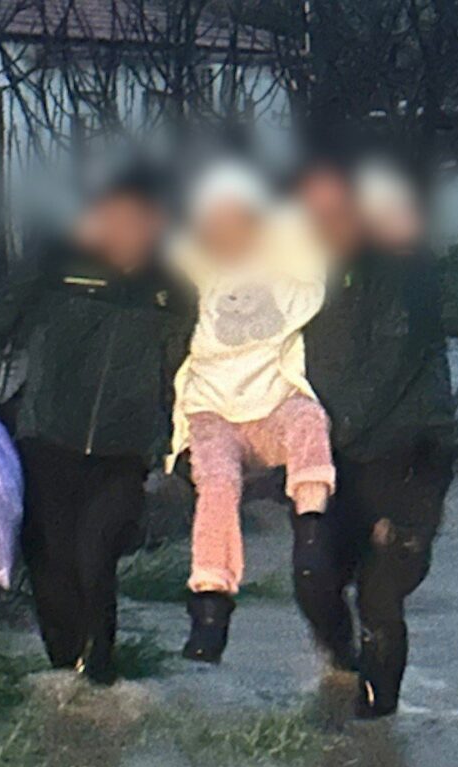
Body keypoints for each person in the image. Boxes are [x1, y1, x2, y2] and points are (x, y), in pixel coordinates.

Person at [0, 168, 195, 684]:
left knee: (96, 556)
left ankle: (100, 671)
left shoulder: (172, 289)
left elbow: (188, 372)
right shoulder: (57, 266)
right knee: (51, 566)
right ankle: (68, 679)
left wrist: (175, 445)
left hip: (122, 454)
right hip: (48, 442)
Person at [294, 158, 457, 717]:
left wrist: (323, 428)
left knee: (382, 595)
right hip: (333, 461)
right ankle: (342, 673)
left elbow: (391, 362)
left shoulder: (404, 274)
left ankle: (378, 724)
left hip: (410, 456)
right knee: (314, 579)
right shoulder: (302, 274)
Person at [167, 160, 335, 664]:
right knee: (217, 484)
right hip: (211, 411)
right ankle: (211, 604)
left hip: (271, 407)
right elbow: (171, 243)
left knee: (309, 418)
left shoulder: (290, 273)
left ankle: (309, 532)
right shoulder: (196, 269)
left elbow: (303, 237)